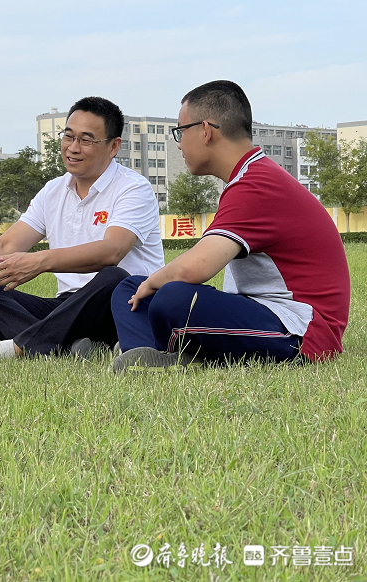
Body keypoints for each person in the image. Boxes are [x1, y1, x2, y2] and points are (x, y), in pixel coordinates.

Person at [111, 80, 350, 373]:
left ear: (206, 131)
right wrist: (148, 284)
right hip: (259, 311)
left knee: (170, 298)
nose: (179, 143)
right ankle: (153, 356)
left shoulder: (257, 184)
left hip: (301, 330)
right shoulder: (249, 178)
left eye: (180, 132)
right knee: (129, 287)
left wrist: (153, 282)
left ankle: (160, 349)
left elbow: (195, 268)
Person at [0, 96, 164, 359]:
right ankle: (64, 347)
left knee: (115, 277)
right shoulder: (54, 190)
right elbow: (6, 245)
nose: (73, 148)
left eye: (86, 140)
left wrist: (40, 261)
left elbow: (111, 251)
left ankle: (9, 349)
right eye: (68, 136)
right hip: (66, 306)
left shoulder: (133, 188)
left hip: (123, 304)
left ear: (113, 146)